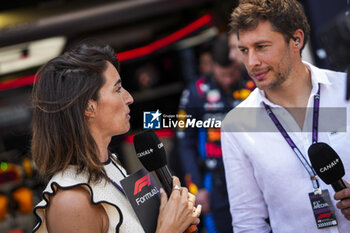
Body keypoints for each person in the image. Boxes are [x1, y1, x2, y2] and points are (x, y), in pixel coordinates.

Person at [31, 43, 201, 233]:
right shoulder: (71, 200)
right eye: (118, 89)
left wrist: (171, 215)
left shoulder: (110, 164)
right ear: (89, 107)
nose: (129, 98)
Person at [221, 0, 350, 232]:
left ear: (296, 40)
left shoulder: (345, 93)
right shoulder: (237, 125)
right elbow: (248, 222)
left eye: (261, 46)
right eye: (244, 50)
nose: (252, 62)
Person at [176, 35, 248, 233]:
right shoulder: (195, 92)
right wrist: (197, 188)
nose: (227, 79)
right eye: (222, 74)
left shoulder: (253, 84)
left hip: (252, 172)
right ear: (213, 65)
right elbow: (185, 143)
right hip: (216, 180)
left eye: (232, 73)